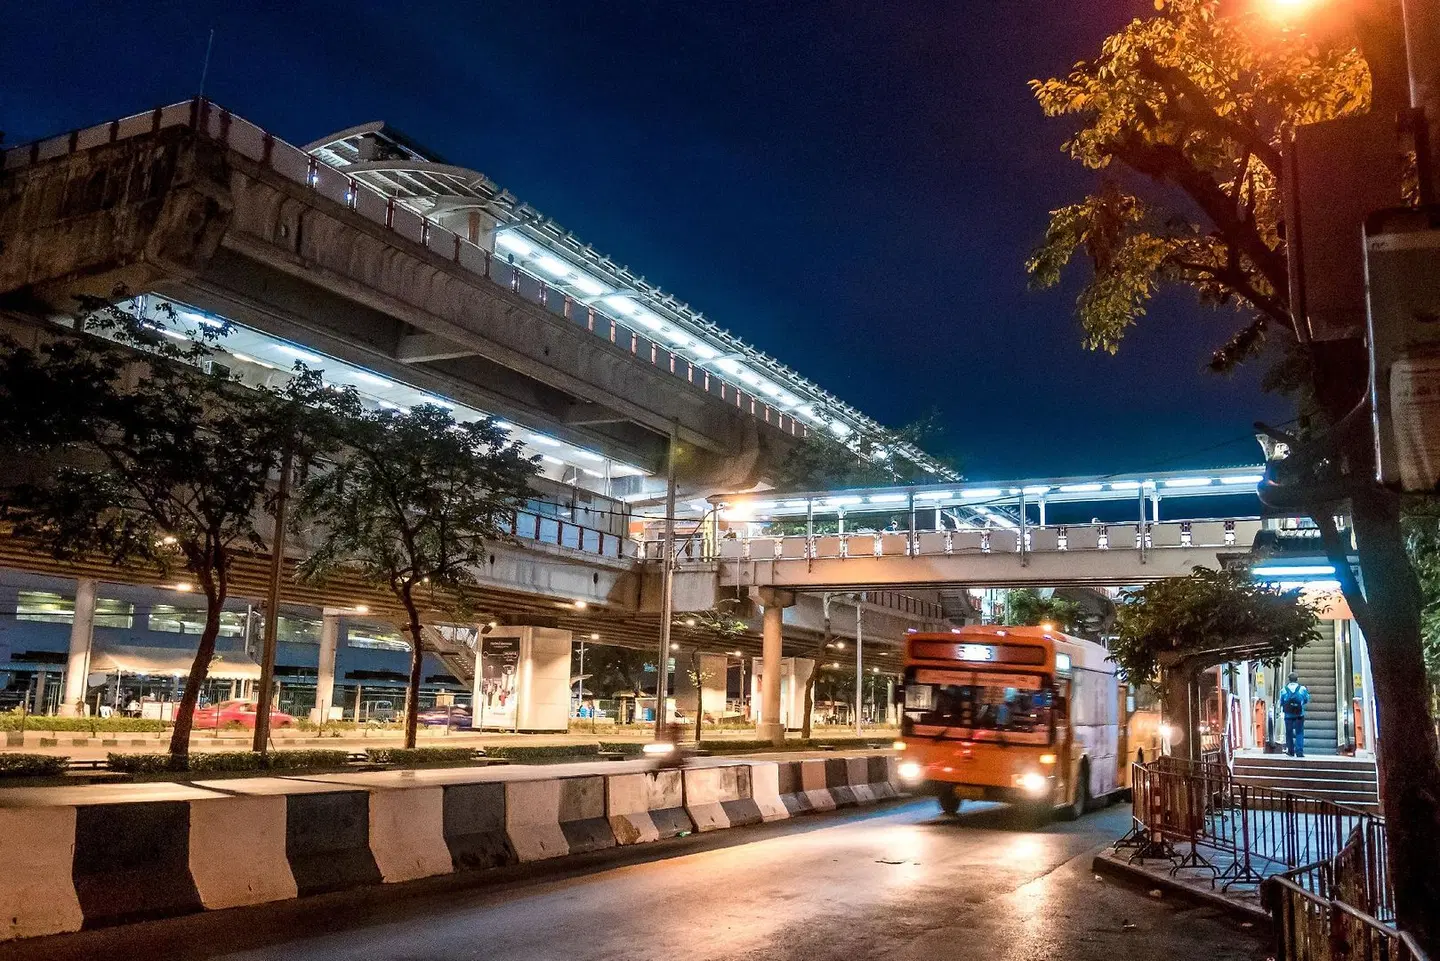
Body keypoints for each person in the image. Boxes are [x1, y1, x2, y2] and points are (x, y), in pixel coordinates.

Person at [1279, 672, 1310, 758]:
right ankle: (1299, 751)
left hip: (1288, 715)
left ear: (1289, 679)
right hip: (1299, 714)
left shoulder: (1284, 689)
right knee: (1299, 732)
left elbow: (1281, 702)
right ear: (1297, 679)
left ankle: (1290, 751)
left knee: (1289, 733)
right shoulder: (1302, 689)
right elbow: (1307, 699)